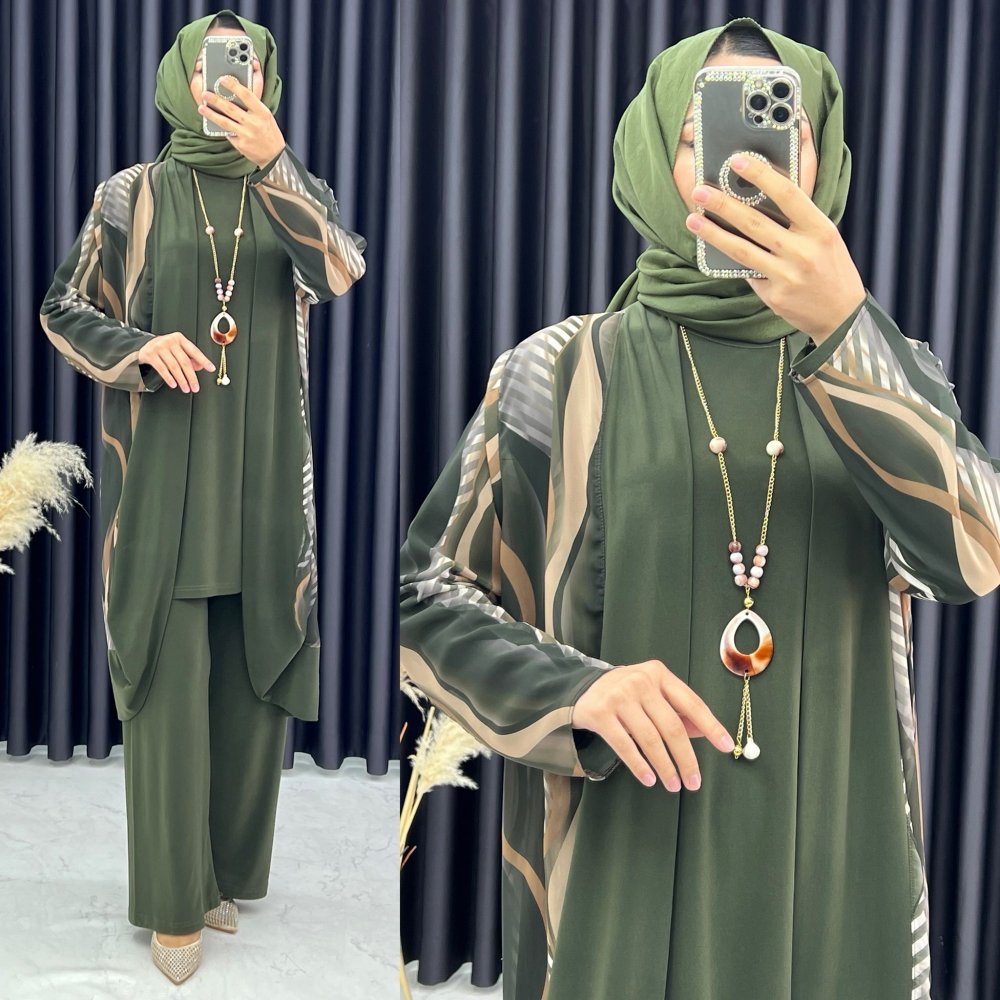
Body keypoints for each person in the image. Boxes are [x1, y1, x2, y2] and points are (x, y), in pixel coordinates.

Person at [400, 16, 1000, 1000]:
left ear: (823, 160)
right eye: (704, 134)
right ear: (651, 161)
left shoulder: (890, 370)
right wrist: (568, 692)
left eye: (781, 130)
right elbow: (420, 598)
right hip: (613, 865)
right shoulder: (560, 370)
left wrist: (847, 331)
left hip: (835, 871)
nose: (746, 166)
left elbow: (972, 557)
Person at [39, 8, 366, 984]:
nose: (231, 78)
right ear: (179, 75)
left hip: (264, 474)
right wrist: (137, 347)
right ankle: (172, 902)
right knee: (170, 690)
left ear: (266, 80)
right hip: (164, 473)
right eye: (214, 63)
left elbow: (340, 271)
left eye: (248, 63)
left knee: (248, 686)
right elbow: (63, 308)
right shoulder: (131, 194)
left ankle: (217, 874)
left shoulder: (293, 187)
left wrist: (277, 164)